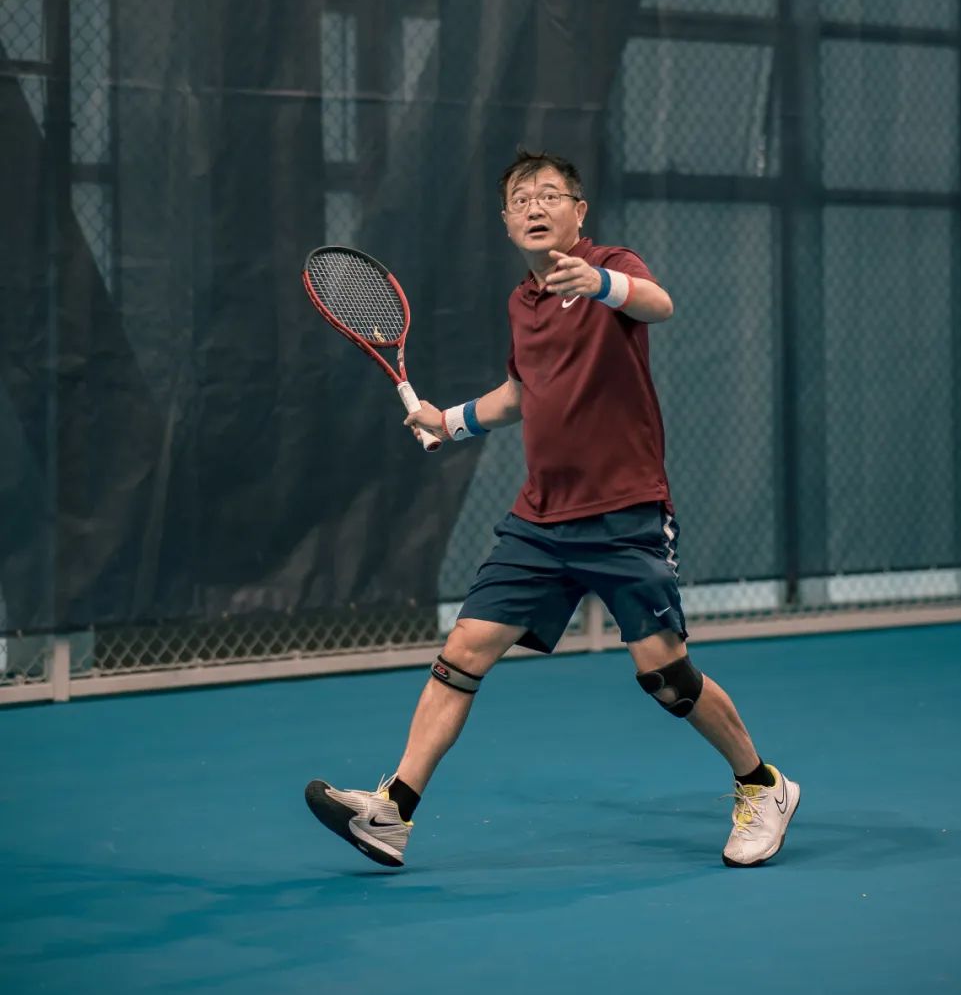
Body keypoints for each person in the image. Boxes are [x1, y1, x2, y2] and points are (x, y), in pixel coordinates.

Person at [305, 150, 798, 870]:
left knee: (665, 676)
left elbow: (657, 303)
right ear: (508, 223)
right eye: (520, 199)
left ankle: (763, 785)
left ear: (578, 212)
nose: (534, 206)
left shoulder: (609, 265)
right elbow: (519, 393)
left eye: (549, 195)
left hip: (625, 510)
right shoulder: (522, 304)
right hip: (541, 519)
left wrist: (601, 283)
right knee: (463, 651)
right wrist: (452, 422)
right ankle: (394, 811)